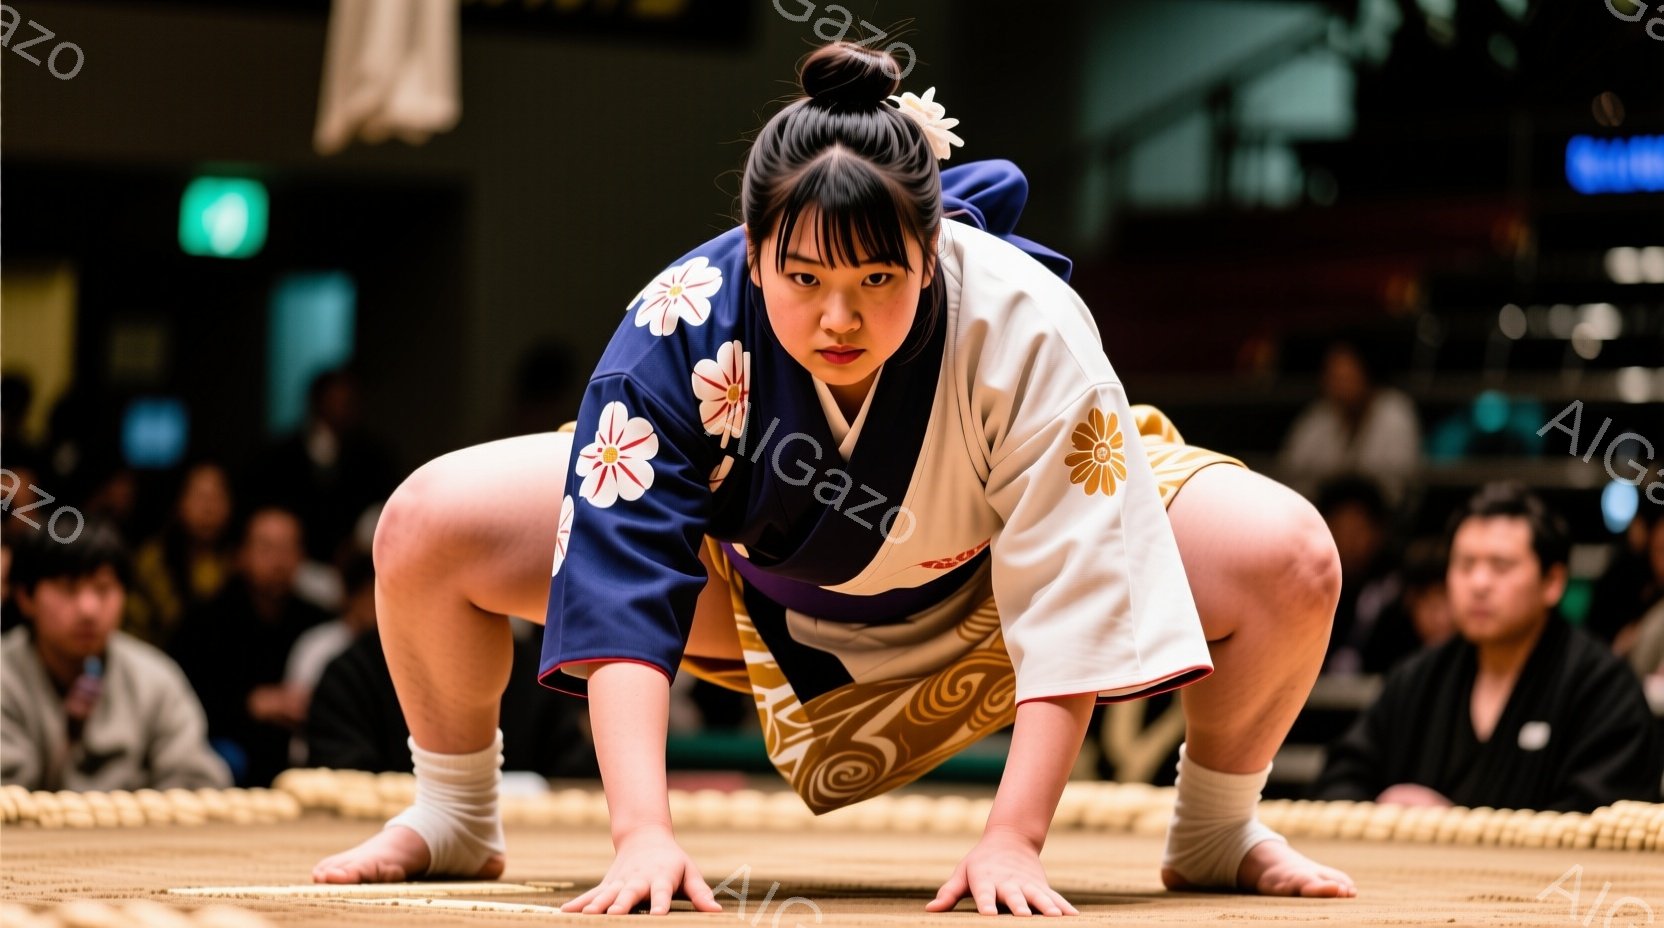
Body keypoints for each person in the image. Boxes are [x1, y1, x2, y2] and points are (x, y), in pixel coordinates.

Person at [315, 43, 1355, 915]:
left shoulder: (1022, 320)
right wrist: (639, 833)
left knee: (1290, 555)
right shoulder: (678, 322)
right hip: (764, 600)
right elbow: (627, 579)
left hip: (991, 587)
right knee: (424, 522)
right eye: (803, 279)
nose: (837, 319)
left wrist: (1013, 837)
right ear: (754, 250)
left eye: (875, 280)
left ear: (931, 248)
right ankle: (455, 812)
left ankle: (1214, 828)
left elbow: (1073, 572)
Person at [1312, 482, 1661, 812]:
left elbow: (1602, 819)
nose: (1478, 584)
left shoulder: (1602, 687)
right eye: (1465, 565)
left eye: (1500, 565)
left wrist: (1454, 828)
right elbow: (1340, 780)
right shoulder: (1418, 678)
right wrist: (1385, 817)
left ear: (1553, 582)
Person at [1, 524, 230, 791]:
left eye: (103, 589)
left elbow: (198, 783)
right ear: (26, 597)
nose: (88, 609)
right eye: (68, 588)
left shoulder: (155, 678)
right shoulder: (6, 676)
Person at [170, 505, 328, 786]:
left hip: (303, 751)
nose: (279, 561)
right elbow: (182, 700)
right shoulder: (204, 621)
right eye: (266, 548)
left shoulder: (319, 622)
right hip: (227, 747)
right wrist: (251, 703)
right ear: (240, 555)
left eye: (288, 548)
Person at [1278, 337, 1421, 505]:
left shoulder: (1395, 412)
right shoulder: (1317, 418)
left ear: (1366, 374)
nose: (1341, 386)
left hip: (1381, 515)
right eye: (1335, 378)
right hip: (1322, 512)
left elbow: (1399, 484)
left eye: (1348, 377)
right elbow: (1291, 475)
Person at [126, 460, 237, 650]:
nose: (208, 509)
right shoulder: (151, 562)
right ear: (179, 502)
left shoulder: (238, 563)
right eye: (200, 497)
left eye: (217, 497)